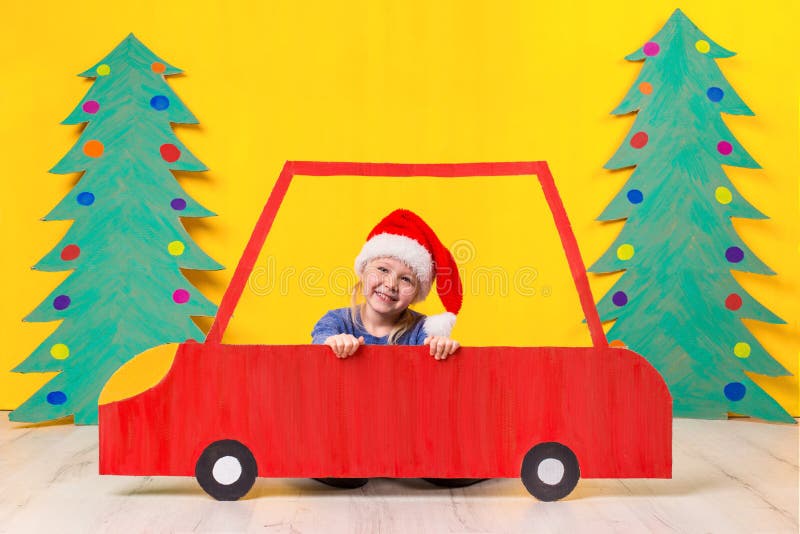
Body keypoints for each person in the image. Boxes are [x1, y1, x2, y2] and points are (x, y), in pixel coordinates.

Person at [310, 209, 484, 490]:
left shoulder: (421, 329)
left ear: (416, 293)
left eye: (406, 279)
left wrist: (442, 347)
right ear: (364, 270)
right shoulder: (337, 320)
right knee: (345, 474)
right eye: (382, 269)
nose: (390, 284)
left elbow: (434, 376)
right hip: (352, 429)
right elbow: (319, 343)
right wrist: (333, 344)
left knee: (444, 471)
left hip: (405, 432)